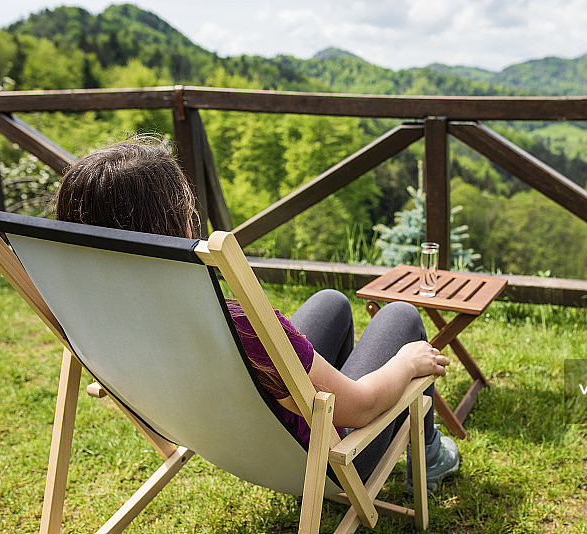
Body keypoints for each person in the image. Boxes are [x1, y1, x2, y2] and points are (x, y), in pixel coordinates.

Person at [54, 135, 459, 491]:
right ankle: (428, 457)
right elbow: (363, 406)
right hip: (326, 464)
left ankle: (334, 397)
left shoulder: (95, 322)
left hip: (235, 447)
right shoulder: (242, 329)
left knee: (331, 302)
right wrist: (407, 363)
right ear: (175, 225)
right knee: (400, 318)